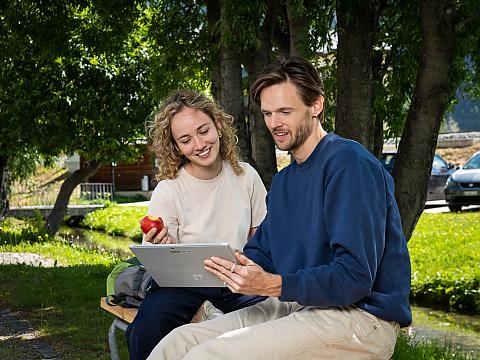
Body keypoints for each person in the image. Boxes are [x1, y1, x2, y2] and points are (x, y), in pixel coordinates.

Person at [147, 57, 412, 360]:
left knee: (207, 356)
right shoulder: (285, 181)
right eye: (268, 113)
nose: (275, 123)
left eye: (285, 111)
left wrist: (273, 284)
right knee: (178, 343)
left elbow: (354, 277)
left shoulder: (348, 164)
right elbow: (261, 255)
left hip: (361, 317)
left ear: (316, 105)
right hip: (301, 305)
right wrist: (210, 264)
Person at [125, 90, 268, 360]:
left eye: (204, 131)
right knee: (144, 330)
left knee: (277, 315)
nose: (199, 144)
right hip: (182, 286)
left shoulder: (246, 176)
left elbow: (260, 241)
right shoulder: (169, 189)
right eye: (186, 140)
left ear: (218, 125)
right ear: (176, 147)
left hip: (237, 283)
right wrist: (162, 244)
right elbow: (156, 257)